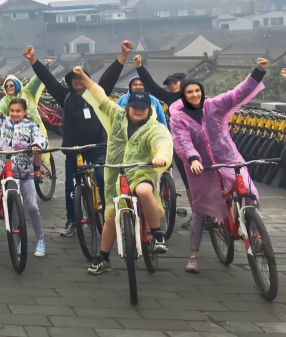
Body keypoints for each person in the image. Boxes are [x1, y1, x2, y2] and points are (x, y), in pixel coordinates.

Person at [169, 58, 267, 274]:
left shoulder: (213, 106)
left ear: (202, 92)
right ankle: (193, 256)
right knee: (200, 210)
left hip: (229, 158)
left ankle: (255, 232)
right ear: (183, 96)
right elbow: (182, 140)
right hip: (201, 168)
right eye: (190, 92)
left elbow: (236, 94)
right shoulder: (178, 119)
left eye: (197, 91)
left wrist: (258, 72)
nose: (194, 95)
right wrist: (193, 158)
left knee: (249, 193)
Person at [74, 66, 172, 275]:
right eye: (134, 106)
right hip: (115, 174)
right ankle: (103, 257)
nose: (138, 110)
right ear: (127, 106)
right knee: (110, 215)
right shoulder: (117, 116)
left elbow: (163, 144)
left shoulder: (155, 128)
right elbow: (100, 96)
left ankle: (157, 232)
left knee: (145, 192)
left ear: (149, 109)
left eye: (142, 107)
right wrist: (83, 77)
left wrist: (160, 157)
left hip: (142, 172)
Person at [26, 42, 129, 236]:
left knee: (101, 178)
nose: (78, 82)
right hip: (73, 150)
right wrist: (33, 60)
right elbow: (48, 80)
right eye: (74, 79)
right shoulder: (65, 96)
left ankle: (110, 218)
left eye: (81, 78)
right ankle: (72, 221)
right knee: (71, 188)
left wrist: (123, 55)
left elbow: (110, 77)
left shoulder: (97, 95)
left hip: (97, 147)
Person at [0, 93, 49, 257]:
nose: (14, 113)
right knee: (13, 208)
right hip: (6, 173)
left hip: (25, 173)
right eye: (12, 110)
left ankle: (40, 240)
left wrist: (36, 145)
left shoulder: (31, 126)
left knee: (33, 207)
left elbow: (41, 138)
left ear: (25, 112)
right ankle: (17, 243)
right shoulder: (2, 123)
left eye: (18, 111)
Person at [134, 55, 193, 227]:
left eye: (176, 82)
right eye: (170, 84)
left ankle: (212, 215)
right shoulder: (170, 98)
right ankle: (198, 215)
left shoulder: (196, 97)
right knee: (188, 181)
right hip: (180, 146)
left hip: (199, 145)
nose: (173, 86)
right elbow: (151, 86)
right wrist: (139, 67)